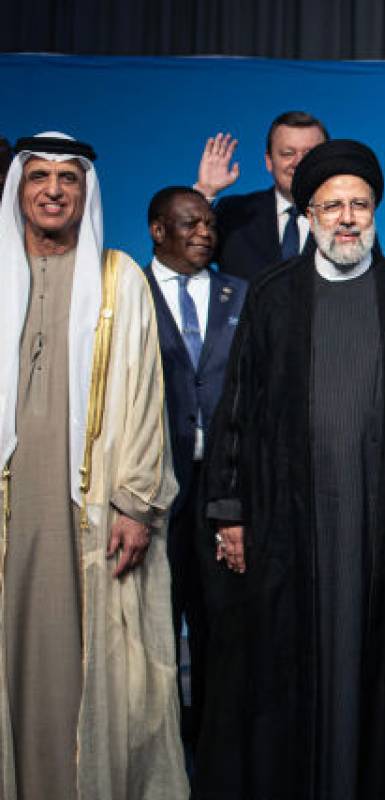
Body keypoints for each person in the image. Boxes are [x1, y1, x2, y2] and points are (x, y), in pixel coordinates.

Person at [196, 139, 385, 799]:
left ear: (377, 213)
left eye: (360, 204)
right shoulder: (273, 296)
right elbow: (237, 408)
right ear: (308, 216)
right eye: (332, 206)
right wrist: (230, 511)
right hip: (288, 525)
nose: (347, 218)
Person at [0, 132, 185, 799]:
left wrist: (136, 501)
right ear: (18, 190)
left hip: (96, 511)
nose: (53, 190)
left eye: (68, 179)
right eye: (39, 177)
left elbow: (145, 399)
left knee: (103, 665)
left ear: (86, 193)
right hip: (11, 510)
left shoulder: (119, 278)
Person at [142, 185, 247, 741]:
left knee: (222, 630)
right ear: (159, 231)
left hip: (224, 487)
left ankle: (214, 755)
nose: (205, 232)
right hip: (155, 486)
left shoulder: (241, 294)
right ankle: (157, 756)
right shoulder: (128, 292)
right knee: (155, 628)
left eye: (209, 222)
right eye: (191, 224)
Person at [193, 111, 329, 280]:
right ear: (269, 161)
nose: (298, 162)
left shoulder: (347, 219)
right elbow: (183, 260)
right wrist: (204, 193)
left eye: (309, 154)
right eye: (288, 153)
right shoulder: (234, 214)